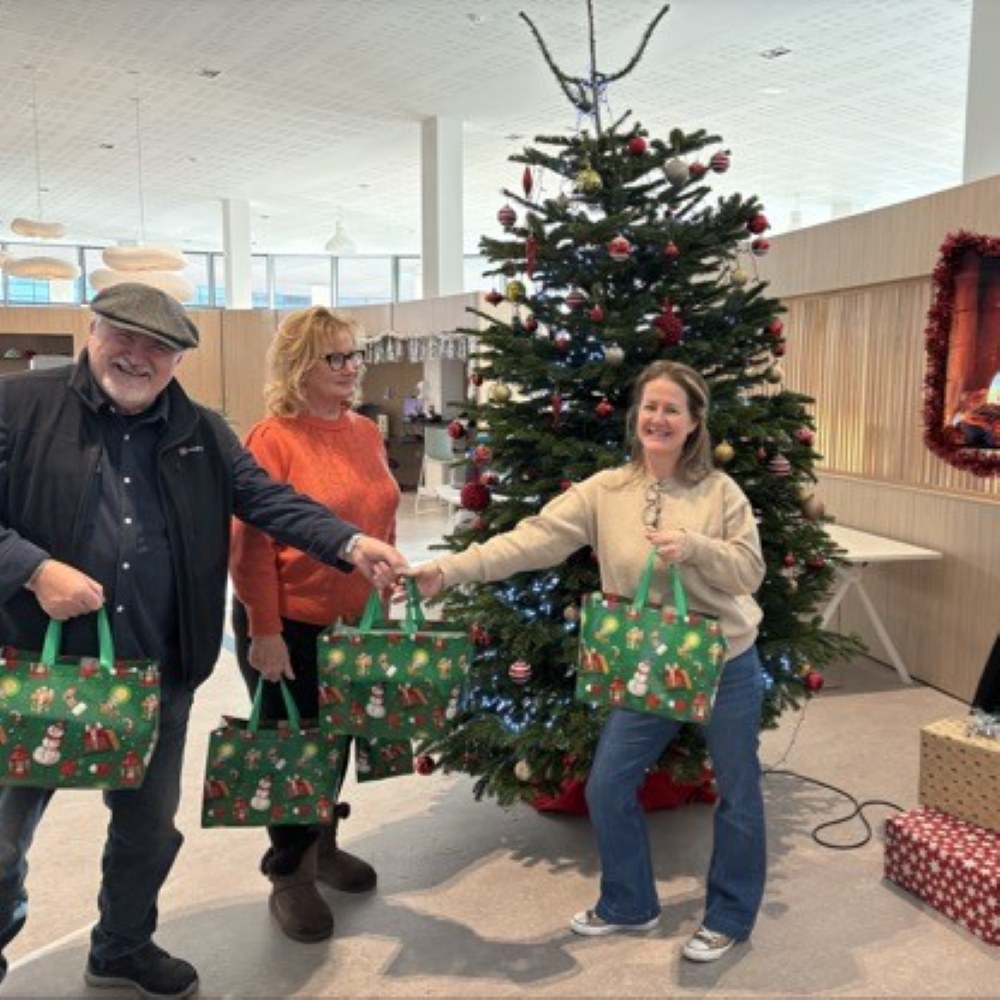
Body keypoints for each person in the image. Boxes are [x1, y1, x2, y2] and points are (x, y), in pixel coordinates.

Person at [0, 284, 407, 999]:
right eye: (124, 336)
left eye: (160, 346)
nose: (139, 356)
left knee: (148, 832)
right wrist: (32, 569)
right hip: (38, 666)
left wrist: (347, 542)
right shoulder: (19, 407)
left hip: (159, 669)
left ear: (182, 357)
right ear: (91, 330)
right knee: (2, 844)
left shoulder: (202, 430)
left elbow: (269, 503)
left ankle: (122, 946)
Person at [405, 360, 767, 964]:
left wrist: (696, 549)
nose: (659, 418)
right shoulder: (605, 490)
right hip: (646, 662)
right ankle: (630, 902)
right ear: (636, 417)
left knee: (739, 790)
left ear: (695, 421)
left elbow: (749, 572)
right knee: (607, 785)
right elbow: (532, 539)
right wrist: (447, 570)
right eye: (650, 407)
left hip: (725, 659)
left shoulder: (720, 492)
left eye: (672, 408)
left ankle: (729, 915)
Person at [229, 306, 400, 943]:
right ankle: (290, 875)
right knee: (291, 751)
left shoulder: (365, 431)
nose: (352, 368)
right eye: (337, 358)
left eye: (356, 355)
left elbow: (379, 518)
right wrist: (264, 630)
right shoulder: (271, 438)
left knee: (338, 742)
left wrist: (383, 591)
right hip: (288, 623)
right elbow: (248, 547)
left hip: (354, 621)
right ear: (301, 365)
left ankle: (324, 849)